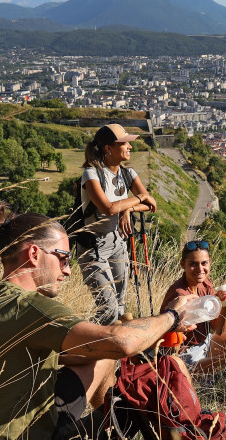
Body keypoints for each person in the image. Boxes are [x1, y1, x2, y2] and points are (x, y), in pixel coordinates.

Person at [0, 202, 194, 440]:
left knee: (103, 357)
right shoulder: (29, 306)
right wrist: (171, 317)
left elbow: (43, 356)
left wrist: (105, 341)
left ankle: (111, 423)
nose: (67, 270)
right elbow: (122, 343)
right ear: (34, 254)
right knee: (134, 391)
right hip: (27, 435)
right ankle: (120, 422)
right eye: (63, 258)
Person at [78, 123, 157, 325]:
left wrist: (128, 209)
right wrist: (138, 199)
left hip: (118, 242)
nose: (130, 146)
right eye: (124, 143)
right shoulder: (91, 174)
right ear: (108, 148)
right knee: (108, 309)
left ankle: (112, 342)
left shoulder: (128, 173)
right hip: (93, 247)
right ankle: (87, 340)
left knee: (120, 306)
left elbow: (151, 204)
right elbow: (109, 208)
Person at [160, 240, 226, 373]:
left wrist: (225, 304)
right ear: (183, 264)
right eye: (193, 264)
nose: (200, 269)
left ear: (209, 262)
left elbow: (218, 330)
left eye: (204, 263)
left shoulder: (205, 283)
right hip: (186, 354)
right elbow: (171, 347)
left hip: (206, 342)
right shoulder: (179, 295)